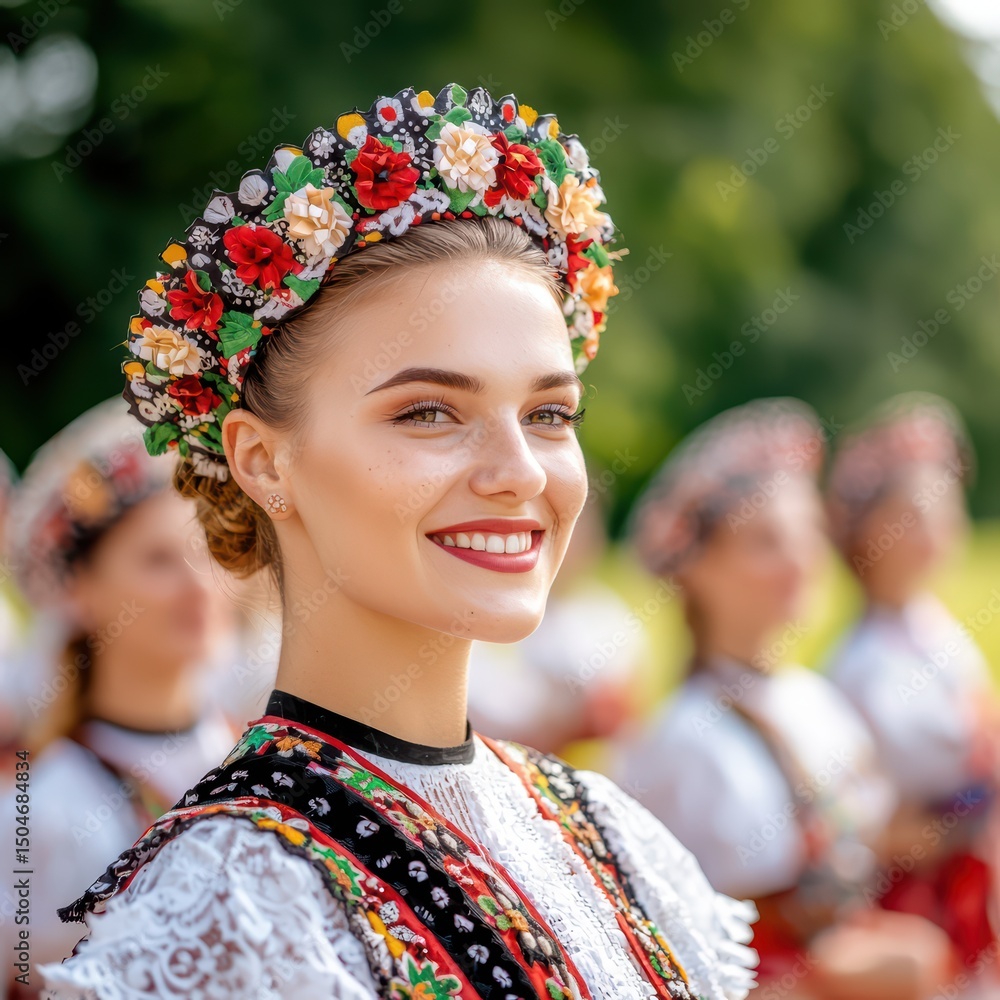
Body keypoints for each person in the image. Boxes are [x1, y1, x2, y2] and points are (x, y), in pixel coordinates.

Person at [39, 83, 758, 1000]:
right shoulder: (242, 910)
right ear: (263, 463)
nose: (520, 472)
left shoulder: (611, 836)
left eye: (548, 412)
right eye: (428, 412)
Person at [613, 397, 955, 1000]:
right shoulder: (681, 739)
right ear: (694, 567)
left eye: (808, 534)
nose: (800, 560)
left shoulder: (816, 702)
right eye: (766, 541)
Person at [0, 397, 240, 997]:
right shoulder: (43, 808)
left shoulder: (259, 754)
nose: (199, 586)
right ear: (80, 592)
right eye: (159, 560)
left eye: (209, 548)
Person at [823, 391, 1000, 975]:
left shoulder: (940, 631)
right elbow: (870, 826)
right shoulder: (861, 661)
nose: (934, 531)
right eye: (911, 515)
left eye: (943, 511)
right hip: (912, 898)